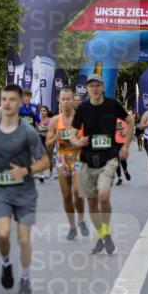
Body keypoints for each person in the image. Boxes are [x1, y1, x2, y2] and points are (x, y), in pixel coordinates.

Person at [0, 84, 50, 294]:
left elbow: (45, 161)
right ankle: (6, 263)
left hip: (25, 192)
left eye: (12, 99)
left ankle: (25, 277)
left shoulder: (28, 132)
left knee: (24, 239)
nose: (7, 103)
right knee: (3, 234)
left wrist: (26, 170)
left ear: (20, 102)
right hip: (0, 191)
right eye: (4, 99)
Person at [72, 74, 134, 255]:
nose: (94, 88)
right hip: (87, 159)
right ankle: (103, 236)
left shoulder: (113, 105)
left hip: (108, 158)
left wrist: (126, 145)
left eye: (97, 85)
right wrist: (78, 141)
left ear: (103, 87)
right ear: (87, 89)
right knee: (91, 202)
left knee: (103, 197)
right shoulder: (82, 108)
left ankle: (104, 233)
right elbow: (72, 134)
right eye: (91, 86)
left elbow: (130, 121)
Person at [46, 88, 90, 240]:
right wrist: (55, 138)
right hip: (62, 159)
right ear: (59, 101)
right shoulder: (54, 121)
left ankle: (81, 220)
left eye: (68, 99)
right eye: (63, 99)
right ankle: (72, 227)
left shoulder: (81, 119)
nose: (66, 102)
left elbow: (89, 138)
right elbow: (47, 145)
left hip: (78, 157)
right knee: (66, 196)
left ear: (73, 100)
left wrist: (83, 141)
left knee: (77, 192)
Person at [37, 105, 53, 181]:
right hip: (41, 138)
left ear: (47, 112)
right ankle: (41, 175)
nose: (42, 112)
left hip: (48, 139)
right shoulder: (39, 120)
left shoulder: (50, 120)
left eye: (44, 111)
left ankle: (51, 173)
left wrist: (45, 127)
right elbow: (37, 129)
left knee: (49, 157)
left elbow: (51, 129)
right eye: (41, 111)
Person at [114, 116, 131, 185]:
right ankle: (119, 178)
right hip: (114, 142)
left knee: (123, 160)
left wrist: (125, 133)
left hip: (123, 142)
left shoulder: (125, 119)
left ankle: (125, 171)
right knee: (116, 161)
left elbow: (130, 129)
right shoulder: (112, 118)